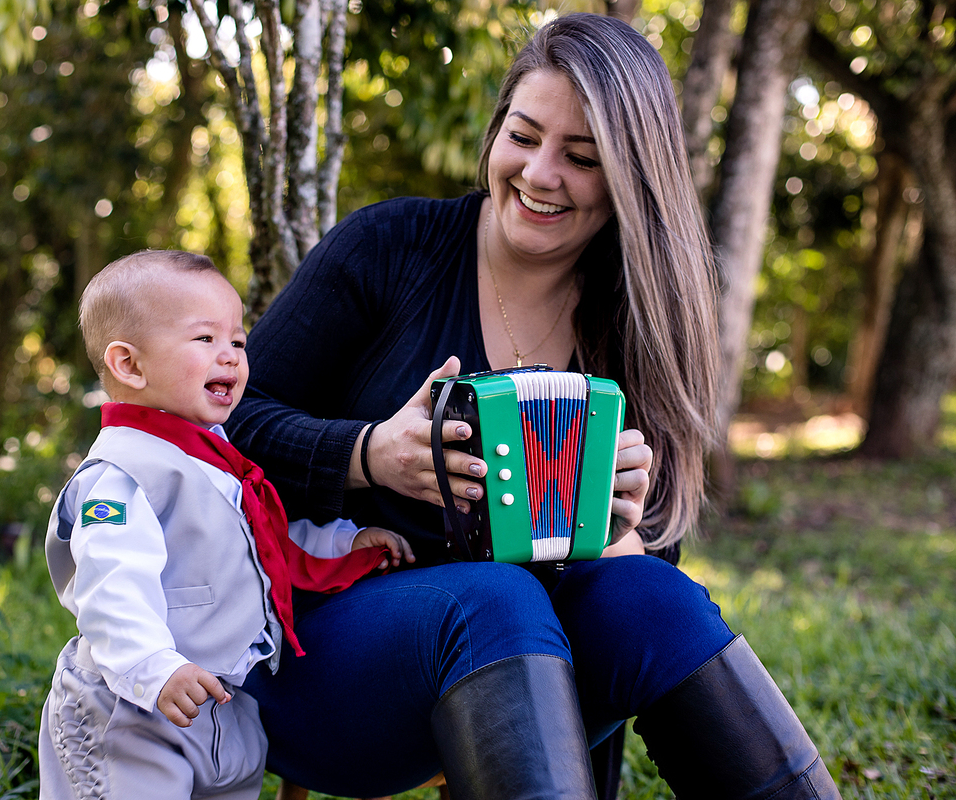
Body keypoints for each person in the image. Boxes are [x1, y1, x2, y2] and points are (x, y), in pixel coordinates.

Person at [227, 13, 842, 800]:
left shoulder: (638, 316)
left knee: (655, 596)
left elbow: (634, 593)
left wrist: (626, 531)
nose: (540, 174)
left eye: (581, 158)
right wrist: (366, 453)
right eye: (523, 137)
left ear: (631, 180)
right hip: (330, 653)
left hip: (529, 692)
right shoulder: (389, 248)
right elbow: (225, 425)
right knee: (501, 594)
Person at [36, 250, 414, 800]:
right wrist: (154, 667)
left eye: (238, 341)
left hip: (224, 700)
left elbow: (256, 540)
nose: (232, 357)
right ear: (130, 366)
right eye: (205, 339)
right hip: (134, 707)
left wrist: (342, 541)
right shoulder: (121, 476)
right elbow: (110, 586)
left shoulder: (213, 455)